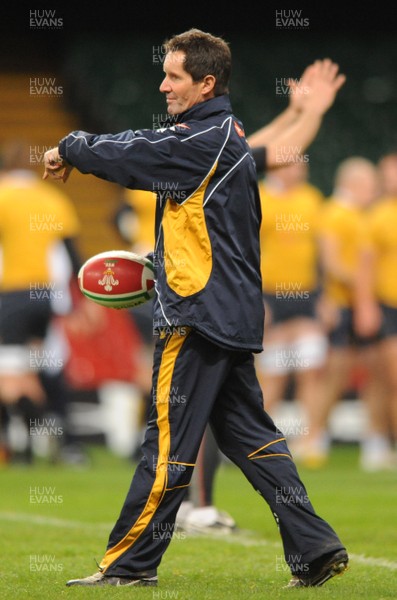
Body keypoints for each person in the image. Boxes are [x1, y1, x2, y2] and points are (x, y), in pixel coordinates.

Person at [43, 29, 348, 589]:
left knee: (165, 442)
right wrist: (159, 259)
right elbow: (207, 226)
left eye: (173, 76)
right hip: (227, 314)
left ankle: (130, 565)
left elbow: (133, 152)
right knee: (255, 442)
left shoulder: (201, 138)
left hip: (195, 316)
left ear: (206, 83)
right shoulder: (222, 135)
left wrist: (71, 145)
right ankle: (315, 545)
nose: (162, 85)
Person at [0, 141, 82, 464]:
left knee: (10, 376)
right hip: (46, 298)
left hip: (11, 296)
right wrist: (81, 304)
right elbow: (74, 256)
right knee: (37, 369)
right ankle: (47, 438)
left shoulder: (2, 197)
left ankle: (27, 441)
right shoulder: (51, 197)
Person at [254, 161, 328, 467]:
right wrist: (255, 298)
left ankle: (311, 440)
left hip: (306, 295)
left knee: (311, 367)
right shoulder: (258, 196)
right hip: (269, 295)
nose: (298, 171)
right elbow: (246, 248)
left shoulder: (311, 199)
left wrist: (327, 297)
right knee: (272, 374)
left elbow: (322, 250)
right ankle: (260, 442)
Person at [315, 157, 382, 469]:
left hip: (360, 305)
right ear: (354, 184)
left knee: (371, 373)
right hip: (342, 306)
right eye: (371, 185)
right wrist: (365, 284)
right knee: (335, 374)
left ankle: (375, 441)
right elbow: (331, 264)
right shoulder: (334, 213)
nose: (375, 191)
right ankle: (315, 436)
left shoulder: (359, 216)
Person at [360, 152, 397, 469]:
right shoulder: (377, 216)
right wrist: (366, 306)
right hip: (389, 307)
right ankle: (384, 440)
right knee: (393, 380)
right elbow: (365, 267)